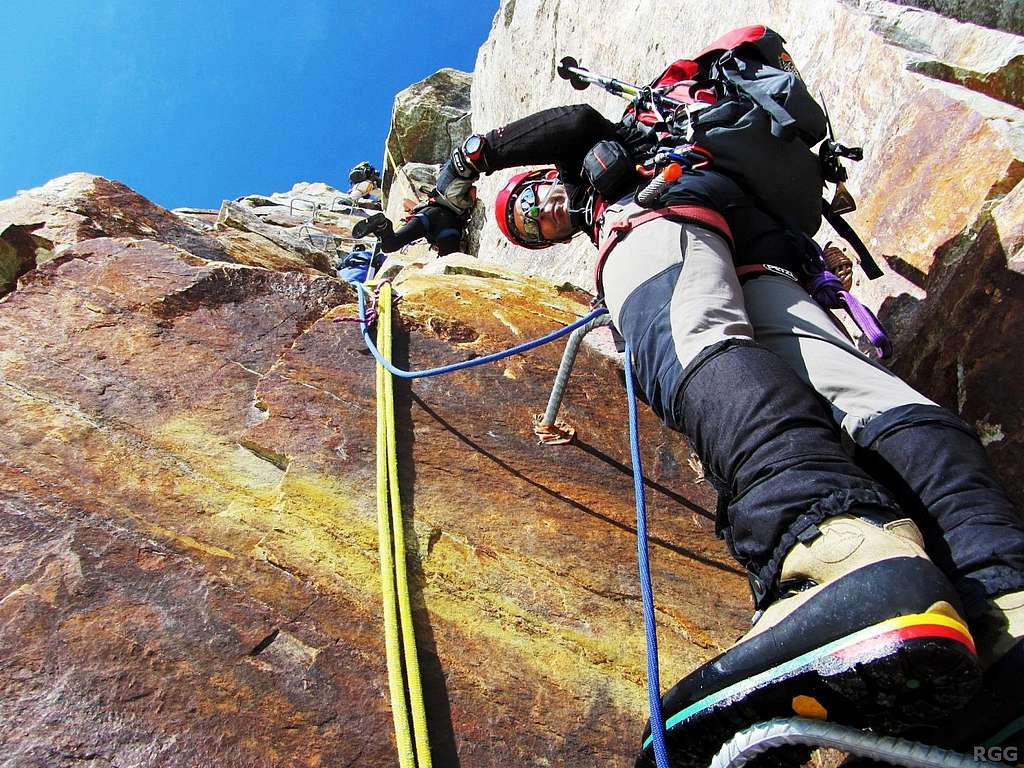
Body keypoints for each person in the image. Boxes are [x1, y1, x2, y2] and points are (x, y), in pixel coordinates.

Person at [434, 28, 1024, 767]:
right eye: (531, 230)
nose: (542, 219)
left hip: (664, 211)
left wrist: (470, 160)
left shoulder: (596, 163)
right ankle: (1000, 592)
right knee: (854, 387)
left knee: (687, 339)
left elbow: (577, 123)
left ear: (542, 183)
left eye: (532, 206)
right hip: (756, 237)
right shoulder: (687, 156)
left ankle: (830, 550)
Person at [350, 188, 475, 258]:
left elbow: (405, 201)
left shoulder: (422, 206)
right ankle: (382, 225)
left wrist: (412, 211)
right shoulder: (448, 231)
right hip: (448, 223)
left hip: (426, 216)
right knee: (449, 261)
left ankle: (383, 226)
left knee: (390, 245)